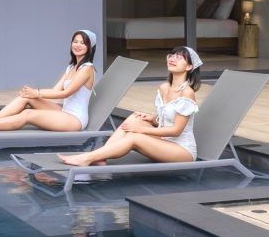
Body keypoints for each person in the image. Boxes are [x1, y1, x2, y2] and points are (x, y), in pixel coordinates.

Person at [58, 46, 201, 166]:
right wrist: (152, 119)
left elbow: (176, 130)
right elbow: (167, 118)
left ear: (189, 67)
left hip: (182, 149)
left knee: (135, 137)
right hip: (163, 142)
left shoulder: (187, 93)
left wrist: (141, 130)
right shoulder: (164, 87)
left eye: (179, 57)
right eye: (172, 55)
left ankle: (88, 158)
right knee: (135, 117)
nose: (172, 58)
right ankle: (101, 156)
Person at [0, 30, 99, 133]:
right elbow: (56, 90)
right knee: (25, 97)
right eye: (75, 41)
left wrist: (37, 93)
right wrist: (32, 93)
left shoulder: (87, 69)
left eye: (82, 43)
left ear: (90, 48)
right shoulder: (71, 67)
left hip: (75, 120)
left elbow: (65, 93)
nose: (77, 45)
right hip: (64, 111)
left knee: (28, 114)